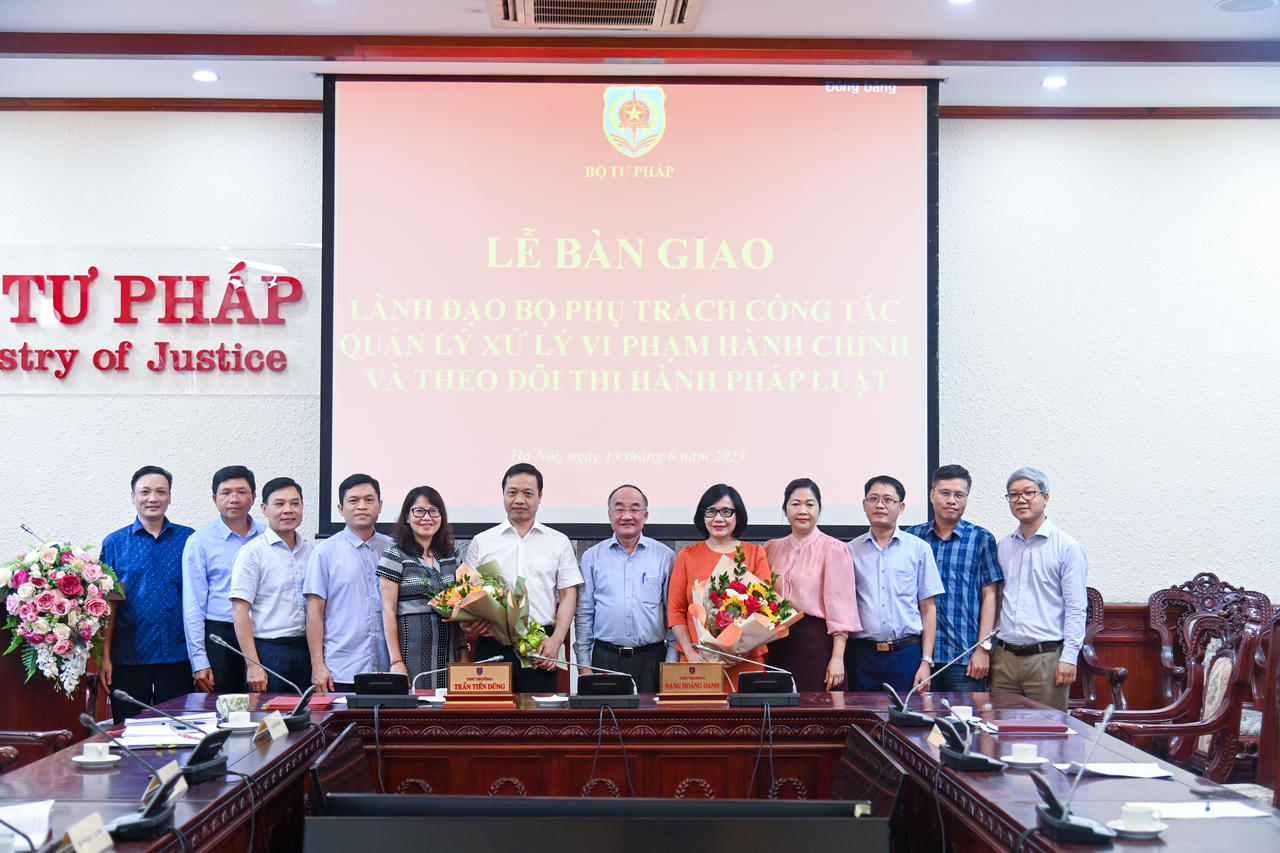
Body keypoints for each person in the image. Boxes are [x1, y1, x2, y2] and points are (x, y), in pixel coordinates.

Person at [465, 463, 582, 693]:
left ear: (540, 497)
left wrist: (557, 639)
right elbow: (467, 594)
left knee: (537, 723)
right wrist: (472, 620)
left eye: (528, 493)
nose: (519, 499)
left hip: (540, 646)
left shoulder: (558, 541)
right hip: (492, 645)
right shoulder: (483, 541)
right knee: (487, 720)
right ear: (503, 495)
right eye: (512, 492)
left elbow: (568, 594)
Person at [100, 466, 196, 723]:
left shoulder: (189, 540)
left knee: (179, 731)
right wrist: (105, 656)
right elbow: (109, 605)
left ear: (169, 497)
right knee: (130, 731)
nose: (152, 498)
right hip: (129, 656)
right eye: (145, 492)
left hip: (178, 656)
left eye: (160, 492)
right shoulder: (115, 543)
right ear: (133, 497)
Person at [992, 467, 1088, 712]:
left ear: (1045, 498)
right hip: (1005, 658)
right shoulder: (1004, 546)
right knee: (1000, 732)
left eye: (1028, 493)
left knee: (1047, 737)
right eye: (1013, 495)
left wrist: (1069, 658)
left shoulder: (1067, 547)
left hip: (1045, 658)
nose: (1020, 500)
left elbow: (1076, 607)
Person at [905, 465, 1002, 692]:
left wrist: (983, 649)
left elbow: (990, 596)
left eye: (959, 495)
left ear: (967, 498)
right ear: (932, 495)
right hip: (917, 655)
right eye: (945, 493)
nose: (952, 500)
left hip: (964, 656)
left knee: (962, 724)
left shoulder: (981, 539)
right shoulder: (913, 537)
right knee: (918, 723)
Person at [845, 475, 944, 694]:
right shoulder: (850, 551)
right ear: (864, 504)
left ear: (901, 507)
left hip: (906, 654)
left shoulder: (918, 549)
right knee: (863, 722)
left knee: (908, 721)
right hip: (862, 654)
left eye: (888, 499)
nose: (880, 504)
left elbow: (929, 609)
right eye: (873, 499)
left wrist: (926, 661)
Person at [573, 485, 676, 693]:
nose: (627, 516)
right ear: (610, 515)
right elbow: (584, 615)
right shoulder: (592, 557)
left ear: (645, 515)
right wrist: (584, 667)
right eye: (619, 509)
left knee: (653, 725)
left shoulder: (665, 556)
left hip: (652, 660)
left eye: (635, 509)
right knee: (605, 724)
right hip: (605, 659)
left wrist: (670, 666)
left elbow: (673, 616)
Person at [667, 483, 771, 683]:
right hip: (697, 660)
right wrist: (690, 653)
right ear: (702, 516)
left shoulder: (755, 554)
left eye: (726, 511)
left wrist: (738, 651)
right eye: (711, 512)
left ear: (737, 515)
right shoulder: (687, 556)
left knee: (747, 714)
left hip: (745, 660)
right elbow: (675, 611)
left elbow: (764, 610)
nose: (718, 518)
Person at [763, 478, 860, 691]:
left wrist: (837, 658)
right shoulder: (771, 548)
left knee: (816, 711)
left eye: (810, 504)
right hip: (776, 643)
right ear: (785, 509)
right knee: (777, 713)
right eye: (795, 504)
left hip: (815, 643)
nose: (802, 510)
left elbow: (841, 607)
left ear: (819, 508)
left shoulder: (833, 549)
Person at [303, 473, 393, 693]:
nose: (362, 506)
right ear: (340, 508)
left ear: (380, 506)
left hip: (390, 667)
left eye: (369, 500)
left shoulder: (394, 550)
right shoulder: (324, 552)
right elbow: (314, 612)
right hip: (342, 670)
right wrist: (318, 665)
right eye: (353, 500)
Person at [182, 465, 264, 693]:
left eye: (242, 492)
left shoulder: (268, 537)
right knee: (225, 713)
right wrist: (199, 661)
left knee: (265, 713)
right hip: (221, 638)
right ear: (214, 498)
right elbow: (194, 604)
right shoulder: (199, 542)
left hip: (263, 635)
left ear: (254, 497)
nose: (234, 499)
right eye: (226, 493)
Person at [229, 477, 312, 694]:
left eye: (295, 503)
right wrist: (253, 664)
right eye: (279, 504)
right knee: (272, 724)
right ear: (264, 509)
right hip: (270, 652)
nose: (288, 510)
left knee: (310, 721)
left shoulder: (312, 552)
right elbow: (239, 611)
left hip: (307, 650)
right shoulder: (252, 553)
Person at [377, 486, 464, 689]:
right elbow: (388, 611)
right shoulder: (395, 553)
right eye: (419, 511)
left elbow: (462, 607)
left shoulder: (452, 553)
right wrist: (396, 662)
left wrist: (463, 650)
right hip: (410, 657)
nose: (427, 517)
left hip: (448, 657)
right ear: (407, 516)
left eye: (434, 511)